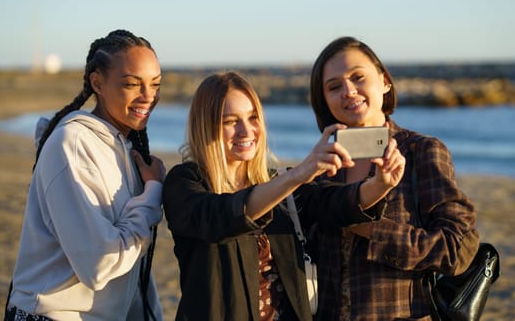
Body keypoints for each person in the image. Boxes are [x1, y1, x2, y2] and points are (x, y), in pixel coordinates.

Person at [162, 71, 406, 320]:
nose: (246, 131)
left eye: (253, 117)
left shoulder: (279, 183)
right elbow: (219, 215)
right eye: (230, 121)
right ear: (205, 125)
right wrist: (298, 174)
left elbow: (334, 204)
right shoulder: (184, 183)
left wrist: (380, 184)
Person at [308, 36, 480, 320]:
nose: (348, 91)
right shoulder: (323, 163)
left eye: (358, 77)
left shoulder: (420, 151)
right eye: (334, 87)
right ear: (324, 100)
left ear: (385, 81)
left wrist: (370, 229)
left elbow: (457, 249)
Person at [5, 29, 166, 320]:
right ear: (97, 83)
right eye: (132, 84)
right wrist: (153, 192)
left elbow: (132, 268)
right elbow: (100, 264)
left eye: (155, 84)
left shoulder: (126, 151)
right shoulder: (73, 144)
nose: (148, 96)